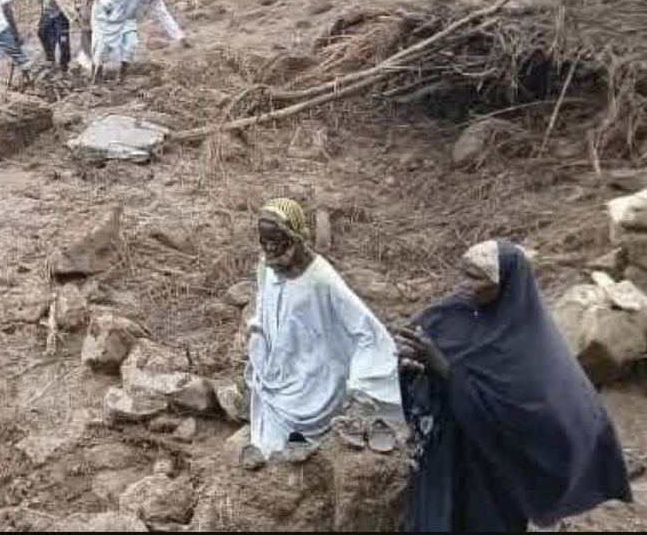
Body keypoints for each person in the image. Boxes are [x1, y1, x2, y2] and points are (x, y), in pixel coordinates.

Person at [397, 240, 631, 532]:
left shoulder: (528, 342)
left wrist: (442, 366)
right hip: (449, 448)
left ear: (505, 285)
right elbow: (417, 340)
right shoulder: (453, 309)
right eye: (464, 274)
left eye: (477, 278)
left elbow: (524, 411)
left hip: (495, 466)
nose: (465, 285)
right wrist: (412, 365)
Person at [247, 197, 402, 455]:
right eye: (264, 242)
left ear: (294, 237)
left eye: (276, 242)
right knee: (269, 445)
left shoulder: (321, 279)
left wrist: (361, 384)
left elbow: (366, 330)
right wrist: (258, 329)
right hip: (279, 371)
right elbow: (266, 304)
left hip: (316, 380)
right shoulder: (267, 266)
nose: (269, 249)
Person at [89, 0, 189, 84]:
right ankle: (96, 79)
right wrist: (106, 4)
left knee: (131, 45)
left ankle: (121, 76)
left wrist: (180, 36)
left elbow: (163, 15)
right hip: (105, 13)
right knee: (102, 45)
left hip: (127, 19)